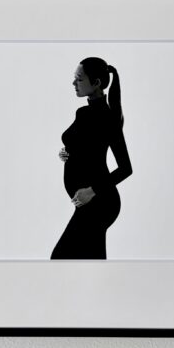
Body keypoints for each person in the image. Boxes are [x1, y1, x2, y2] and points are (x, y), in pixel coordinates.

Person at [50, 57, 133, 260]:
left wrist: (91, 191)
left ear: (96, 82)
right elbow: (86, 146)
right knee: (92, 257)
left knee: (60, 257)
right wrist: (67, 153)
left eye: (79, 79)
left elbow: (126, 168)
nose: (74, 83)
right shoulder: (82, 113)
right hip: (88, 203)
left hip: (101, 201)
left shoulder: (108, 118)